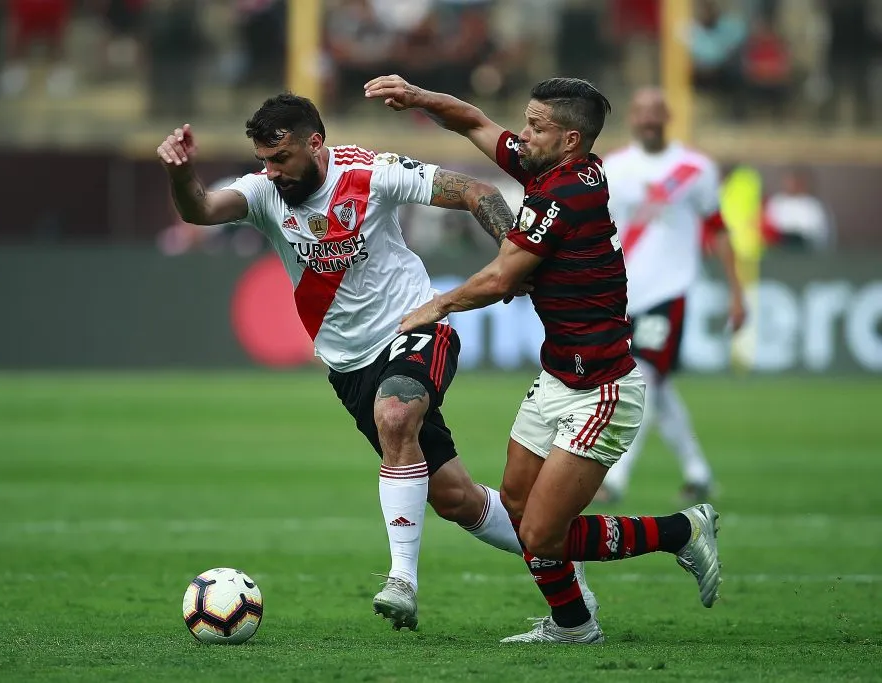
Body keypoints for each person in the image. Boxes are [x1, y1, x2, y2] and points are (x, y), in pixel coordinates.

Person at [155, 93, 596, 632]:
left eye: (280, 159)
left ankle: (402, 580)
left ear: (316, 144)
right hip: (347, 364)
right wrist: (181, 174)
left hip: (416, 325)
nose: (270, 172)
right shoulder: (264, 192)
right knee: (455, 498)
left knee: (396, 414)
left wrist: (513, 253)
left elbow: (475, 191)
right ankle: (564, 572)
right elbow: (199, 209)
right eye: (263, 161)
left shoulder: (372, 173)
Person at [364, 74, 722, 644]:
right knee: (514, 501)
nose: (523, 134)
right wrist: (419, 97)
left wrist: (436, 306)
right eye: (527, 121)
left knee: (540, 533)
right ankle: (573, 624)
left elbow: (505, 276)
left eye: (536, 126)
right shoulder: (551, 167)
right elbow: (476, 122)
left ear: (571, 140)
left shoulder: (566, 194)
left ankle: (680, 531)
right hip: (557, 376)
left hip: (602, 388)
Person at [596, 87, 746, 504]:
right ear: (631, 117)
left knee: (640, 379)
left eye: (656, 112)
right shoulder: (614, 167)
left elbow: (718, 229)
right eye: (641, 112)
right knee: (655, 386)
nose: (648, 120)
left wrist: (737, 294)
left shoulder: (694, 168)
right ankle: (698, 472)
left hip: (670, 291)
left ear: (668, 117)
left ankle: (615, 478)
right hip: (623, 293)